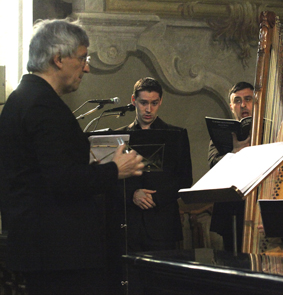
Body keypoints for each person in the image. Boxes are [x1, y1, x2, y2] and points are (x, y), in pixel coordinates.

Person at [0, 19, 144, 295]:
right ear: (58, 59)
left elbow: (40, 173)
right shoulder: (44, 105)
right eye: (82, 58)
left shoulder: (20, 99)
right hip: (59, 252)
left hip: (39, 247)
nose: (86, 68)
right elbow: (62, 179)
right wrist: (115, 169)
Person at [118, 77, 193, 252]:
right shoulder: (120, 137)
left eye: (154, 103)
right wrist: (133, 194)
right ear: (133, 100)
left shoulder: (176, 135)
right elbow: (112, 179)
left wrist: (155, 198)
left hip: (163, 224)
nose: (148, 109)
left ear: (161, 101)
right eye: (143, 103)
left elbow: (185, 179)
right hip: (129, 225)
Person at [208, 81, 254, 251]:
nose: (243, 105)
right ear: (231, 106)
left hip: (258, 207)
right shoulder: (221, 134)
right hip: (231, 209)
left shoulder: (269, 132)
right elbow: (213, 164)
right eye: (237, 101)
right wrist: (234, 154)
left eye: (248, 99)